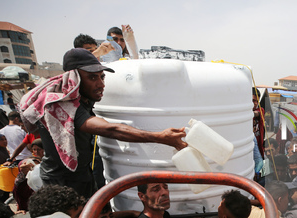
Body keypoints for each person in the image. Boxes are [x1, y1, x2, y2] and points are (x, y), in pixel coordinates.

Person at [19, 48, 187, 199]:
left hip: (81, 174)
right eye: (93, 78)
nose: (100, 84)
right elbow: (111, 130)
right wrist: (160, 137)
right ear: (74, 78)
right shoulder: (63, 107)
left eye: (102, 77)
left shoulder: (78, 99)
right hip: (62, 183)